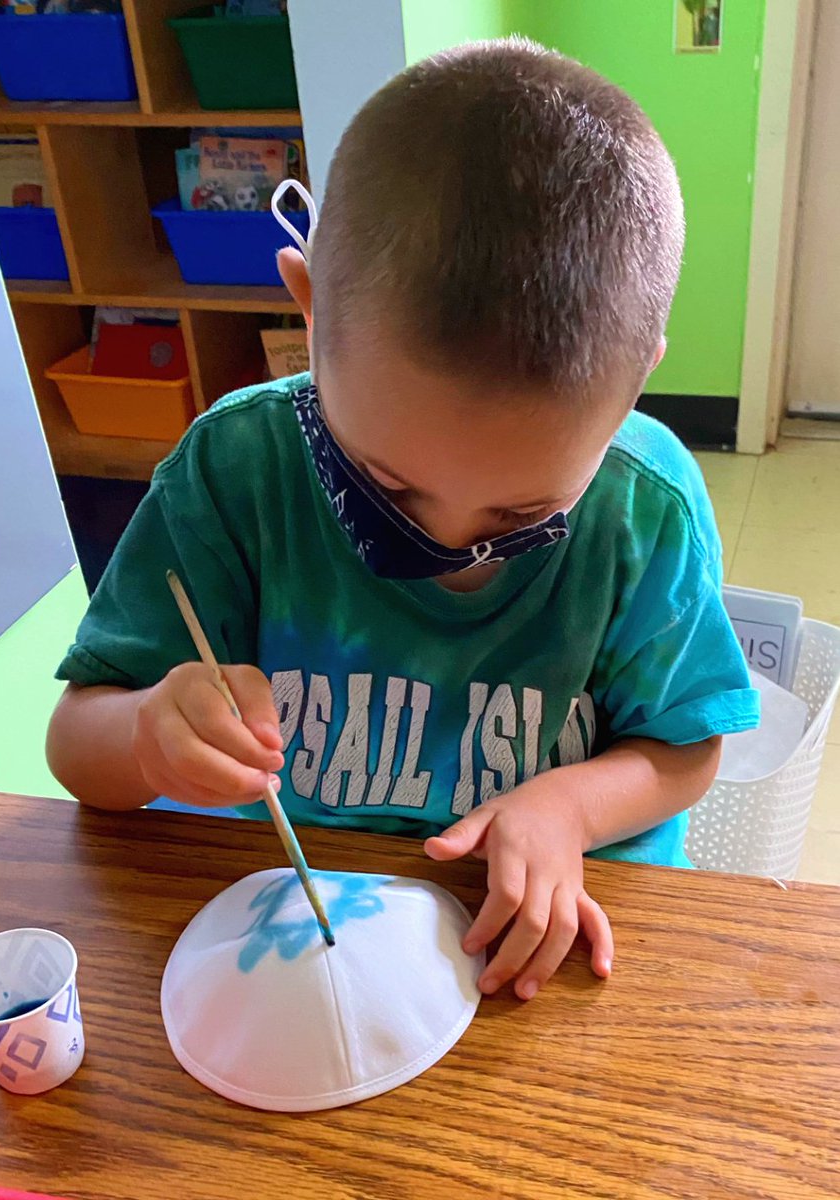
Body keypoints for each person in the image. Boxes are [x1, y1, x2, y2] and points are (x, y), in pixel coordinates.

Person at [46, 39, 759, 1001]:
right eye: (387, 484)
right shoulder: (237, 471)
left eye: (523, 512)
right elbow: (76, 744)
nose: (449, 542)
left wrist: (565, 808)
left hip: (529, 954)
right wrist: (145, 737)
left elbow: (687, 746)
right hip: (280, 951)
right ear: (305, 307)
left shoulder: (644, 508)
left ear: (636, 381)